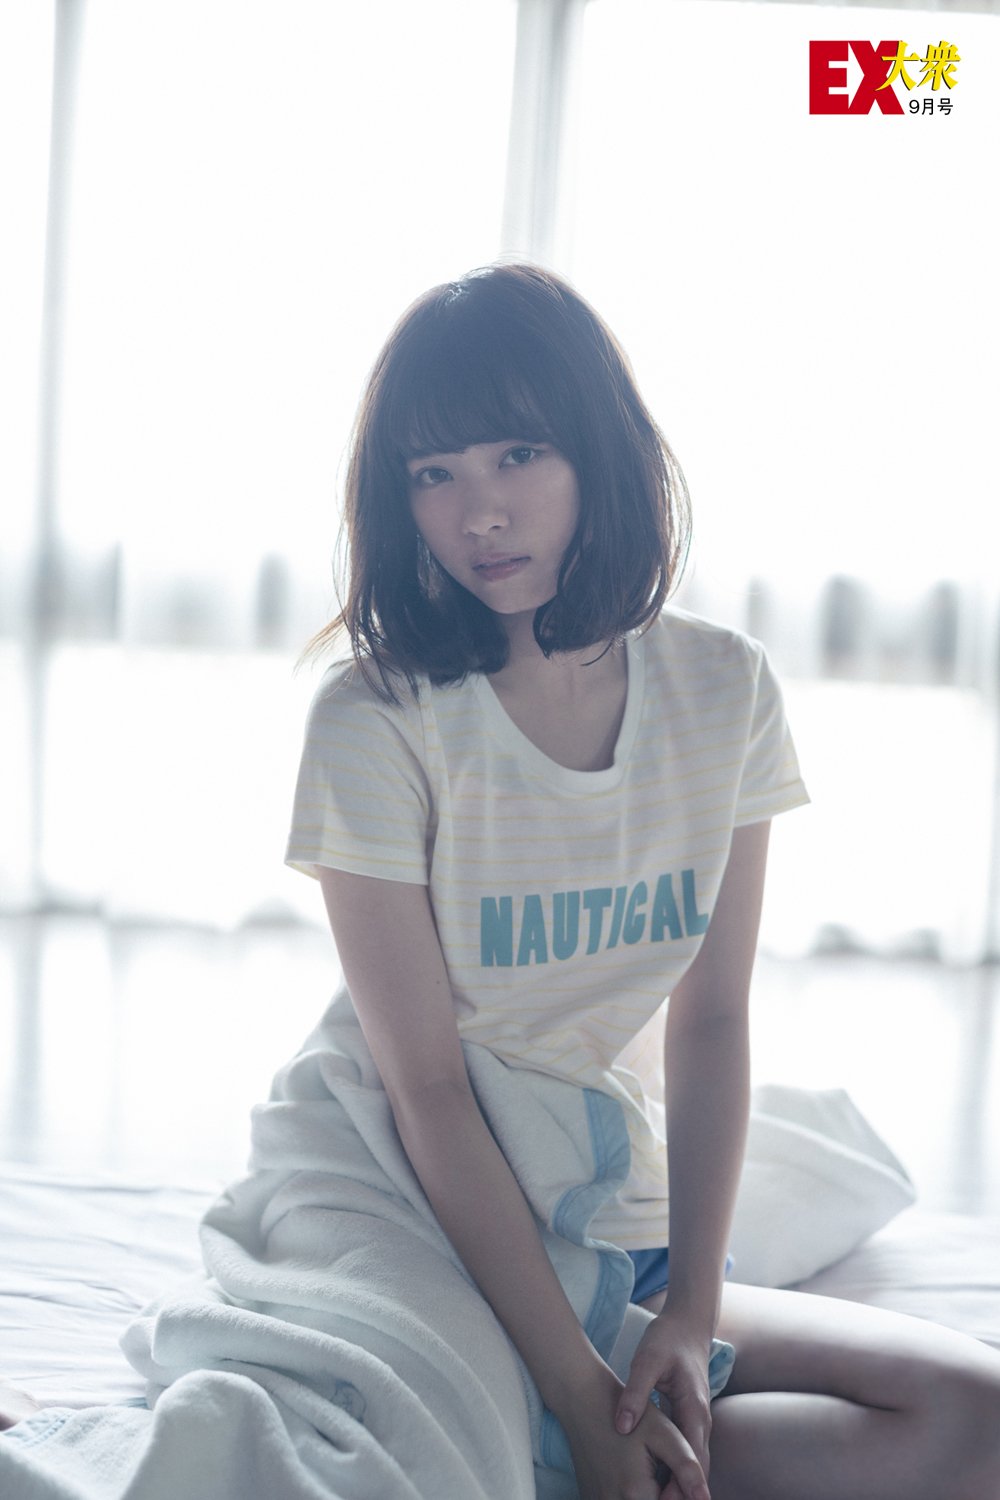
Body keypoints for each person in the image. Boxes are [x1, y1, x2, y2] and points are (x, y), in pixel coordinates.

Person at [281, 263, 1000, 1500]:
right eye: (433, 473)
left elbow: (710, 1018)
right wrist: (578, 1389)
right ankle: (561, 1437)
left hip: (602, 1201)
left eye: (518, 454)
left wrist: (691, 1309)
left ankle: (584, 1452)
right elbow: (427, 1091)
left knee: (973, 1417)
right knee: (419, 1455)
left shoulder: (723, 690)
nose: (479, 514)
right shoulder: (376, 719)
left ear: (597, 453)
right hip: (411, 1197)